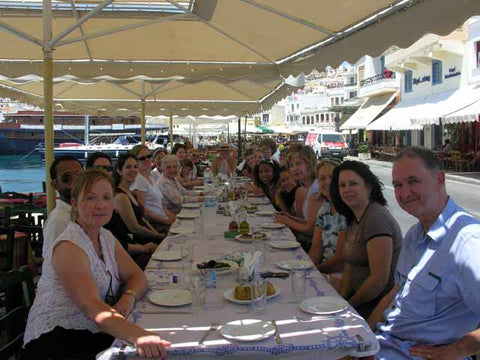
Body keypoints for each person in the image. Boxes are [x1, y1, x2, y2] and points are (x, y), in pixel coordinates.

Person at [22, 169, 170, 359]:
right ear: (75, 203)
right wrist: (138, 336)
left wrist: (128, 297)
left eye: (106, 197)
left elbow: (138, 276)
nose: (100, 205)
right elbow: (91, 307)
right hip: (55, 339)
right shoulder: (70, 246)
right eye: (91, 198)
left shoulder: (105, 237)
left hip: (94, 330)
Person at [369, 147, 480, 360]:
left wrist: (455, 351)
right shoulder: (415, 234)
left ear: (439, 179)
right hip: (384, 343)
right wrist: (364, 333)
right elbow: (395, 294)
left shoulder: (468, 241)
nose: (404, 193)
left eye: (413, 181)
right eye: (398, 185)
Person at [330, 160, 402, 319]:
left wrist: (348, 307)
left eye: (353, 183)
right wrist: (342, 298)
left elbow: (379, 279)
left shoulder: (376, 218)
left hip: (377, 308)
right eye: (342, 185)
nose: (347, 189)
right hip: (359, 298)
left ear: (368, 187)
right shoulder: (354, 216)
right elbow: (350, 263)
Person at [274, 144, 320, 252]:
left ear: (310, 163)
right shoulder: (307, 187)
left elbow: (311, 230)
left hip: (313, 246)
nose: (294, 169)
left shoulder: (317, 188)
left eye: (298, 164)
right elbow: (308, 221)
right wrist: (289, 217)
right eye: (291, 165)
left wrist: (288, 221)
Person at [113, 153, 165, 244]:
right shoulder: (121, 197)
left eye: (135, 167)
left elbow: (143, 219)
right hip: (139, 243)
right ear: (119, 171)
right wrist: (157, 237)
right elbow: (134, 228)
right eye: (128, 167)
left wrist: (156, 234)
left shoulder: (130, 193)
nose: (133, 170)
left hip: (148, 237)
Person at [308, 160, 346, 277]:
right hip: (323, 269)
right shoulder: (324, 210)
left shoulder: (346, 210)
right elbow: (316, 247)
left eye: (332, 177)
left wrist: (314, 272)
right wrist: (306, 267)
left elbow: (340, 259)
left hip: (340, 274)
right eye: (322, 178)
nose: (327, 182)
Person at [130, 145, 176, 233]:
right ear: (135, 162)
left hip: (163, 221)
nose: (147, 159)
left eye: (149, 156)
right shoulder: (139, 181)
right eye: (142, 158)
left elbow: (160, 205)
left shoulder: (150, 177)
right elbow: (142, 212)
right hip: (156, 225)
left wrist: (173, 217)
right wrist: (165, 220)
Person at [43, 155, 83, 254]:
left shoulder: (84, 214)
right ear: (55, 185)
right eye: (67, 178)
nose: (75, 181)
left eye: (80, 175)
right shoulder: (59, 220)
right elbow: (51, 262)